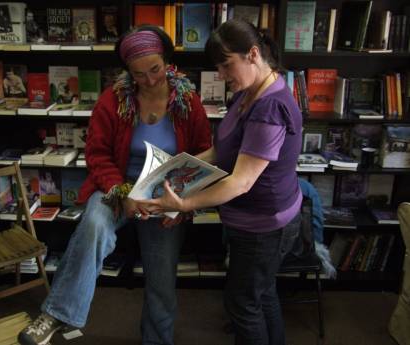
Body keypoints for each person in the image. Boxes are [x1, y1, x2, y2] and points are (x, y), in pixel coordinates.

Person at [17, 25, 211, 345]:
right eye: (139, 74)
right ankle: (56, 315)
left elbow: (202, 154)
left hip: (166, 193)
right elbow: (96, 155)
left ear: (166, 60)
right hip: (118, 185)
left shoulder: (188, 100)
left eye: (155, 69)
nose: (149, 80)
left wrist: (180, 203)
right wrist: (122, 193)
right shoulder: (113, 100)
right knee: (93, 224)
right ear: (127, 72)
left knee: (161, 281)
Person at [138, 19, 303, 345]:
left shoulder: (268, 107)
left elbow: (240, 182)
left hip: (264, 226)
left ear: (253, 54)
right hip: (258, 220)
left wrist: (183, 204)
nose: (223, 76)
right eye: (218, 67)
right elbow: (222, 148)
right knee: (262, 295)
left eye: (227, 66)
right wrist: (182, 167)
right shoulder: (250, 93)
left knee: (243, 305)